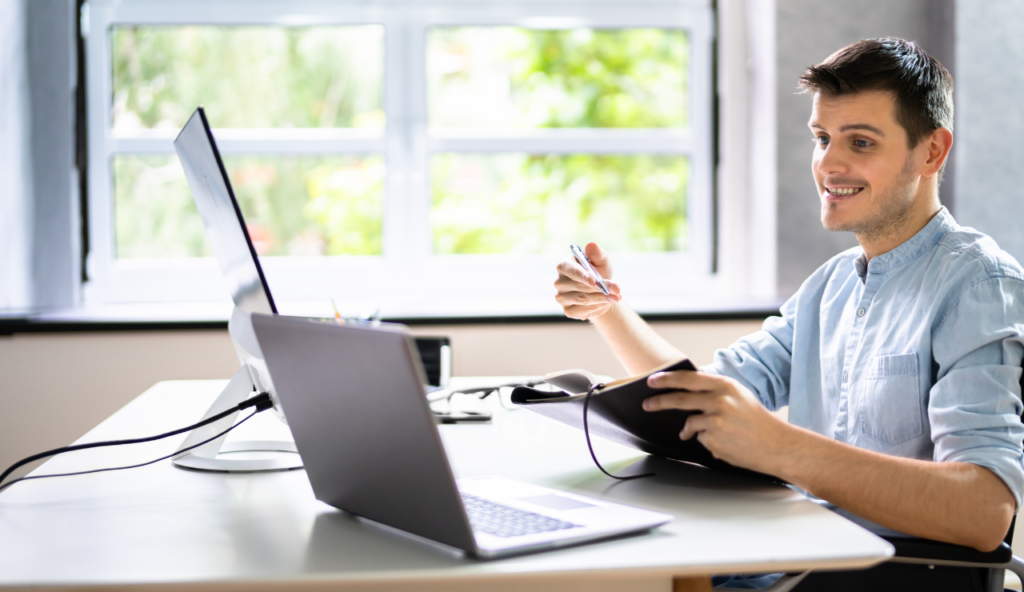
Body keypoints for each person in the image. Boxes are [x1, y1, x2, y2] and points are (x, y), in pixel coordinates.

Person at [554, 38, 1024, 588]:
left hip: (873, 578)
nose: (829, 163)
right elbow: (698, 392)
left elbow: (984, 514)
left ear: (932, 152)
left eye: (861, 142)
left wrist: (782, 450)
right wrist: (608, 309)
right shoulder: (830, 286)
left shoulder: (978, 284)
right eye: (822, 138)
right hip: (792, 558)